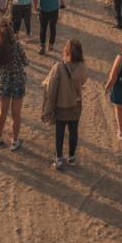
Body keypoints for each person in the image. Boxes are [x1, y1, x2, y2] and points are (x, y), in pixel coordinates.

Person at [42, 38, 88, 169]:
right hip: (76, 104)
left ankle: (59, 159)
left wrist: (49, 104)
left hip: (61, 104)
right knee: (73, 132)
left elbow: (51, 87)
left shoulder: (59, 67)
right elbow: (83, 81)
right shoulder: (82, 67)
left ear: (66, 51)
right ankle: (71, 157)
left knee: (60, 132)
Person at [0, 23, 28, 150]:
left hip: (4, 82)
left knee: (2, 111)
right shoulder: (17, 46)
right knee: (16, 114)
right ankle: (14, 141)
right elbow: (26, 61)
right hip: (18, 82)